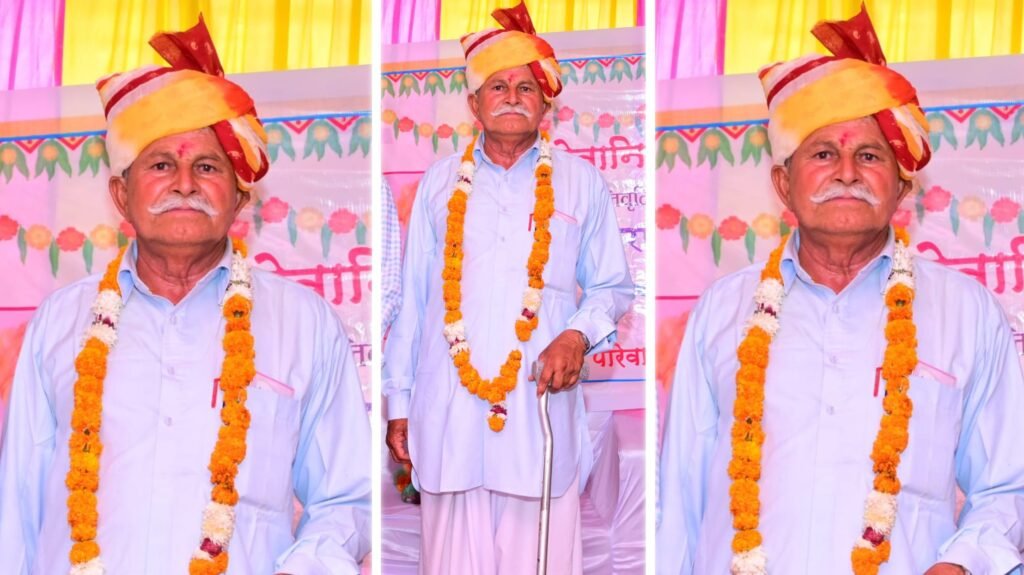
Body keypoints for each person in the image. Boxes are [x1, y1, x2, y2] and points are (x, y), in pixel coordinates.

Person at [658, 7, 1024, 575]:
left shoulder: (966, 312)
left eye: (870, 155)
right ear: (784, 183)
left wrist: (962, 564)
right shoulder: (725, 310)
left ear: (902, 186)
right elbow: (680, 497)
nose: (847, 172)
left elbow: (1007, 488)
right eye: (824, 153)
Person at [0, 17, 370, 575]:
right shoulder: (61, 321)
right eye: (160, 165)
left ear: (239, 200)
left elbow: (347, 498)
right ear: (121, 195)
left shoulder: (304, 323)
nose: (184, 184)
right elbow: (18, 507)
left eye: (207, 166)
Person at [382, 3, 634, 573]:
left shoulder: (580, 182)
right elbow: (415, 303)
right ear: (474, 104)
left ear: (546, 104)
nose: (513, 97)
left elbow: (612, 286)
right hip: (449, 407)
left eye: (526, 87)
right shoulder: (439, 184)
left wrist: (576, 335)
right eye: (498, 86)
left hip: (535, 408)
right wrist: (399, 404)